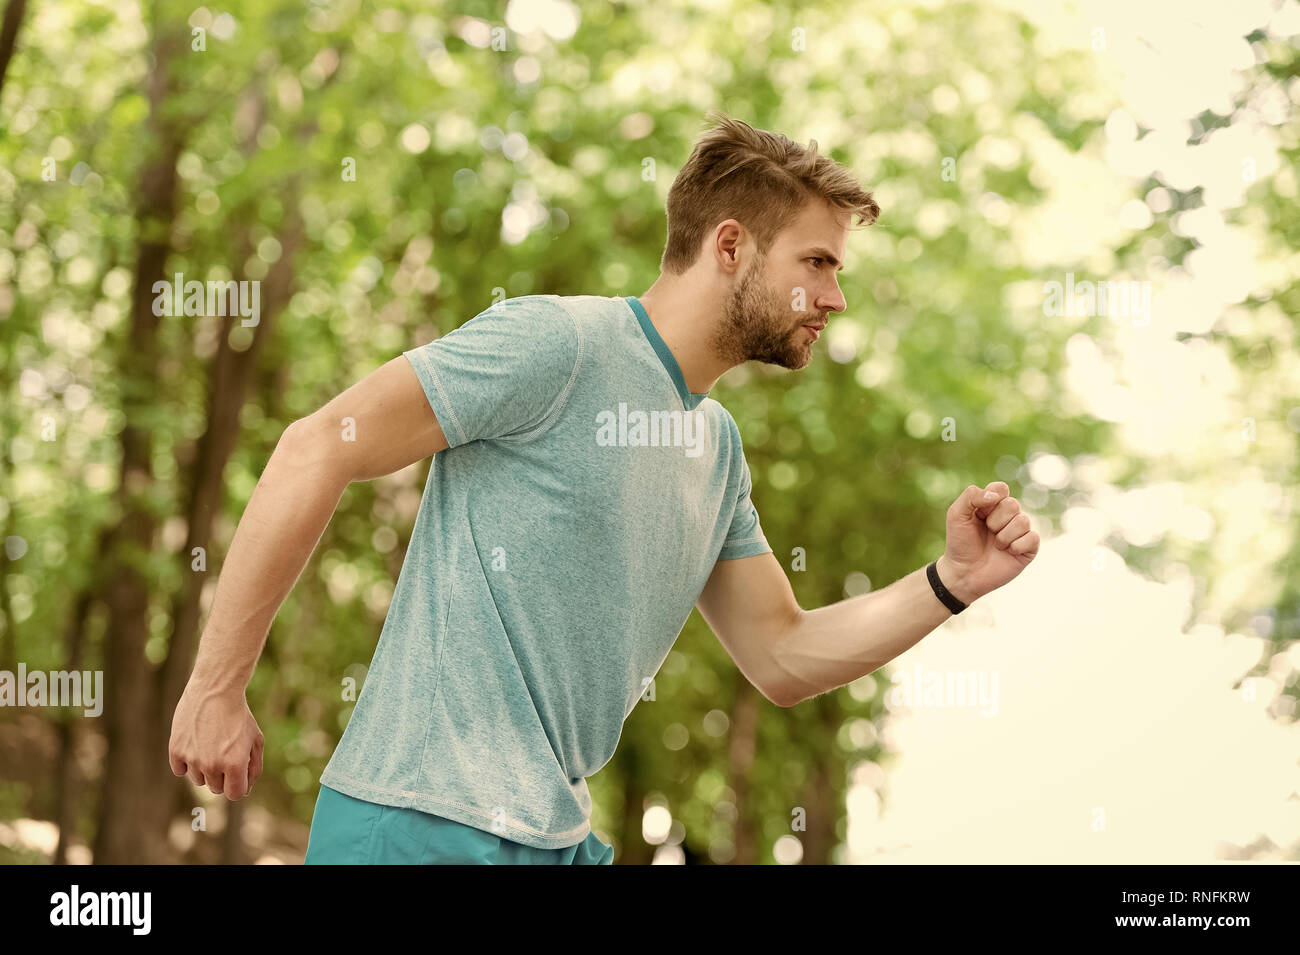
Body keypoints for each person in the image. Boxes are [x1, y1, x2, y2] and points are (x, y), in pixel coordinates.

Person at [168, 110, 1039, 865]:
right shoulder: (558, 345)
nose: (835, 296)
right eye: (818, 262)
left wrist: (949, 583)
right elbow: (316, 445)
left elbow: (781, 654)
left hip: (553, 840)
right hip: (419, 824)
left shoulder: (715, 446)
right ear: (730, 244)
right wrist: (215, 686)